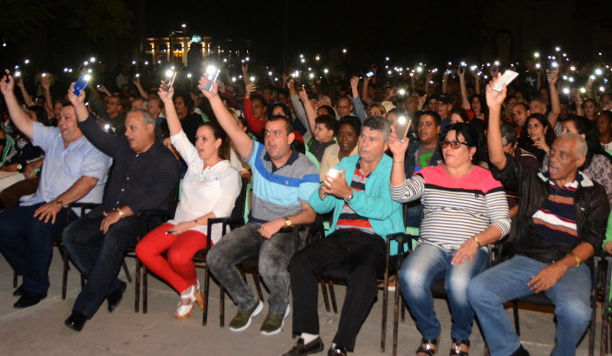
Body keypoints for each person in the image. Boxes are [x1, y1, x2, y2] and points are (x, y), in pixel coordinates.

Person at [467, 78, 609, 356]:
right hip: (527, 257)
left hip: (571, 264)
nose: (553, 159)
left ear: (580, 161)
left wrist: (560, 267)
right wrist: (494, 108)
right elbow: (498, 159)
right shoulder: (536, 181)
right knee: (478, 290)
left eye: (562, 155)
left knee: (578, 312)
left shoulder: (594, 194)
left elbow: (592, 242)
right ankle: (511, 351)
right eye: (552, 152)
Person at [200, 76, 319, 336]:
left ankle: (278, 307)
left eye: (277, 134)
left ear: (290, 138)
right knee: (215, 257)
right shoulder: (257, 155)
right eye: (267, 133)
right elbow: (231, 128)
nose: (270, 139)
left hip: (289, 231)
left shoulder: (306, 167)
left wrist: (282, 222)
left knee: (268, 264)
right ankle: (248, 302)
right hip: (256, 224)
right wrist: (212, 97)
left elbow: (309, 215)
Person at [62, 83, 181, 332]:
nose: (126, 133)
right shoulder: (123, 148)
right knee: (71, 234)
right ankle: (112, 285)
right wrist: (78, 103)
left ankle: (83, 309)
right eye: (126, 127)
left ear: (150, 129)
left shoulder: (165, 160)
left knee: (114, 237)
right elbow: (94, 132)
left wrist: (122, 212)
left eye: (132, 128)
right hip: (108, 212)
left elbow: (157, 197)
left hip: (140, 219)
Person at [282, 117, 404, 356]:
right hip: (342, 235)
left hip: (376, 239)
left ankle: (340, 344)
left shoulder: (393, 169)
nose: (365, 143)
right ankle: (308, 337)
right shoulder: (346, 164)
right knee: (300, 261)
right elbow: (319, 206)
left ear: (386, 145)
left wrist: (348, 193)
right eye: (363, 137)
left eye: (372, 139)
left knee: (363, 274)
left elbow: (382, 209)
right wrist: (325, 189)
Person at [0, 71, 110, 309]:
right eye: (60, 117)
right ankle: (31, 271)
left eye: (67, 117)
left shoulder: (95, 146)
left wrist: (57, 203)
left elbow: (88, 182)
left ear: (81, 121)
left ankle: (36, 287)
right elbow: (22, 122)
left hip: (76, 210)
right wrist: (8, 94)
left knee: (39, 224)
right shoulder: (53, 136)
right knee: (1, 226)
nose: (60, 121)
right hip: (41, 200)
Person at [389, 122, 510, 356]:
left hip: (470, 247)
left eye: (457, 143)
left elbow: (503, 223)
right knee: (409, 276)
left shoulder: (487, 179)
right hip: (431, 246)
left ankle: (461, 336)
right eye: (445, 143)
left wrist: (476, 241)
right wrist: (398, 157)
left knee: (459, 284)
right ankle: (430, 332)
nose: (448, 148)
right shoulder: (429, 174)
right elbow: (399, 194)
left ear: (472, 150)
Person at [135, 84, 241, 320]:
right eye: (197, 138)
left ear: (218, 142)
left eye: (205, 139)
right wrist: (168, 100)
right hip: (181, 222)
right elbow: (176, 136)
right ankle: (187, 288)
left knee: (177, 256)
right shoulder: (194, 162)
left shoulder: (229, 173)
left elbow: (221, 212)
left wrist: (190, 225)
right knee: (144, 249)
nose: (199, 143)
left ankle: (187, 291)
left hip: (207, 227)